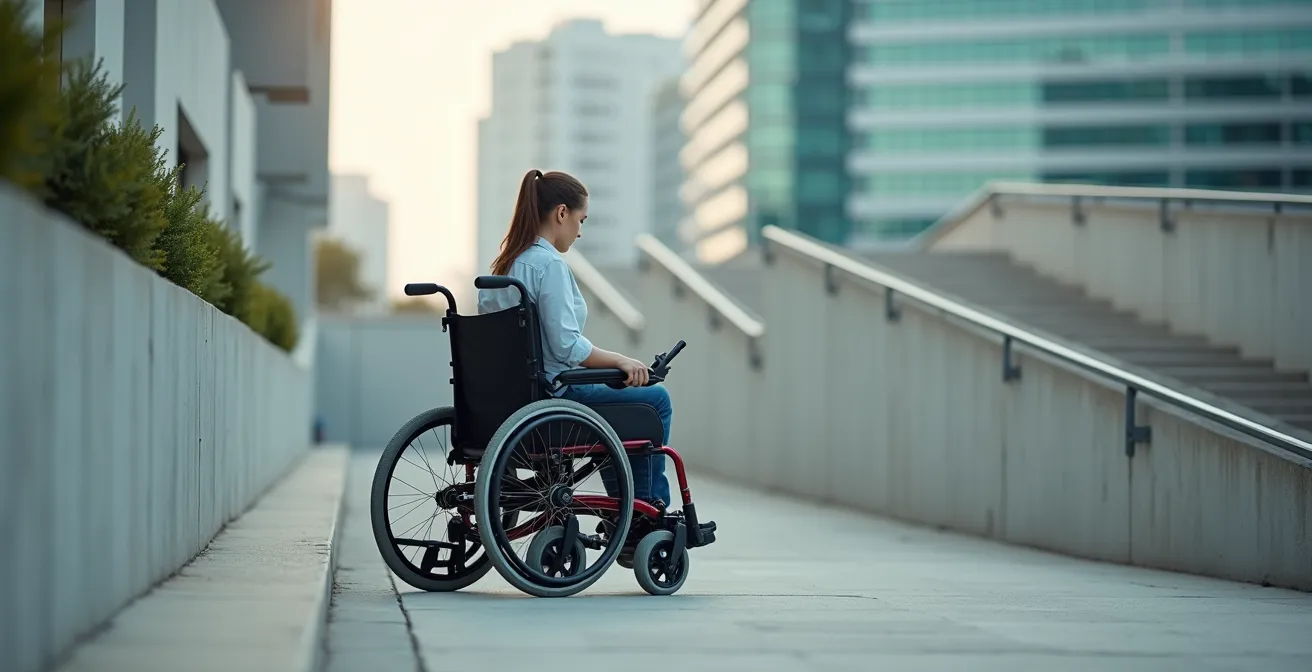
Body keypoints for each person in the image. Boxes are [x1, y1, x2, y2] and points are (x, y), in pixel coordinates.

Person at [477, 168, 673, 509]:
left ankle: (628, 510)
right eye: (582, 220)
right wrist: (620, 360)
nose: (580, 231)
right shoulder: (548, 266)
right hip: (552, 399)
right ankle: (645, 510)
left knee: (621, 395)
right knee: (655, 399)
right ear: (562, 213)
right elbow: (567, 346)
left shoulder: (504, 267)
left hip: (502, 402)